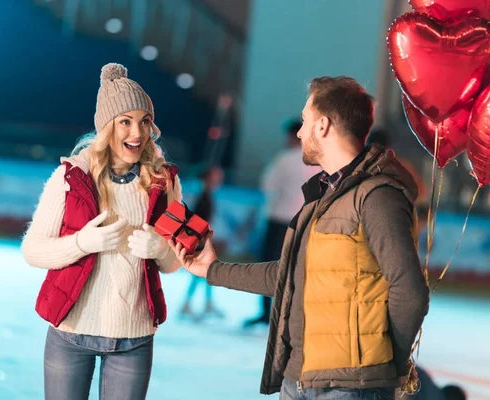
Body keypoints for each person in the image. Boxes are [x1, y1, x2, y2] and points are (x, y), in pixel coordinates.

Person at [170, 76, 429, 399]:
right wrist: (212, 269)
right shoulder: (320, 199)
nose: (299, 132)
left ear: (323, 125)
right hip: (298, 379)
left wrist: (383, 367)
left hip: (347, 387)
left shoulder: (377, 197)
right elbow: (290, 276)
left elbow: (410, 292)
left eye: (305, 121)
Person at [21, 63, 182, 400]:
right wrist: (82, 242)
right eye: (125, 122)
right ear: (107, 126)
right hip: (71, 334)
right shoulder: (70, 178)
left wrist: (161, 249)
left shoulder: (163, 181)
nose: (137, 133)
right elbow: (32, 250)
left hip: (134, 339)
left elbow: (172, 263)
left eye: (144, 122)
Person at [244, 119, 320, 328]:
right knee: (296, 267)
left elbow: (267, 184)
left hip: (278, 219)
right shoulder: (317, 161)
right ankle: (291, 313)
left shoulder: (284, 158)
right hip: (303, 221)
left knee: (269, 266)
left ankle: (266, 311)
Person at [180, 165, 225, 320]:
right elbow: (198, 221)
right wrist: (205, 241)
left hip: (201, 240)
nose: (219, 180)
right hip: (200, 241)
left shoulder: (206, 195)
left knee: (205, 273)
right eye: (216, 177)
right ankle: (191, 304)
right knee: (203, 273)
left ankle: (204, 303)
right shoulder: (204, 197)